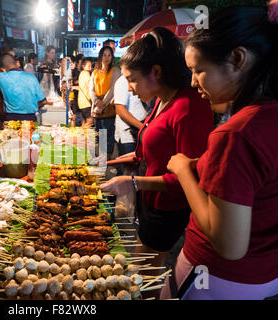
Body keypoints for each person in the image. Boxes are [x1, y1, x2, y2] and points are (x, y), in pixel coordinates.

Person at [163, 5, 278, 300]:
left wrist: (184, 170)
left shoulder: (237, 133)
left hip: (215, 280)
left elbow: (229, 244)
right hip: (263, 277)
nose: (192, 83)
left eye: (199, 70)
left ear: (238, 58)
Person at [100, 28, 214, 296]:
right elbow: (152, 151)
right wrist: (114, 162)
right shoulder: (163, 100)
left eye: (133, 80)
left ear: (157, 72)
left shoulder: (189, 106)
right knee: (140, 270)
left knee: (146, 277)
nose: (129, 87)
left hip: (167, 209)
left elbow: (186, 176)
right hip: (150, 204)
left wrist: (133, 182)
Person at [0, 54, 50, 121]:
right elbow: (43, 101)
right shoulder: (31, 78)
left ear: (4, 68)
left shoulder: (0, 77)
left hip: (11, 119)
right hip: (30, 119)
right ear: (18, 63)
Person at [89, 46, 121, 158]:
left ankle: (107, 158)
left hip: (108, 106)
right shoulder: (95, 72)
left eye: (109, 55)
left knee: (108, 134)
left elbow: (113, 89)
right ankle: (102, 157)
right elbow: (91, 89)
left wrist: (102, 103)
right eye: (104, 55)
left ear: (112, 57)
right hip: (97, 105)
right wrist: (96, 101)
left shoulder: (116, 70)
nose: (107, 57)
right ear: (100, 56)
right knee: (99, 134)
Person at [113, 74, 148, 172]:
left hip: (139, 131)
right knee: (131, 172)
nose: (129, 89)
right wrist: (143, 128)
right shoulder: (122, 82)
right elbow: (120, 110)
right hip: (128, 134)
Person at [77, 58, 93, 127]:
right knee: (90, 121)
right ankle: (80, 134)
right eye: (88, 65)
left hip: (81, 102)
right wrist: (91, 99)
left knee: (84, 122)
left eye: (90, 65)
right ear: (83, 66)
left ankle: (82, 136)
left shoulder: (82, 73)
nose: (90, 67)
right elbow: (88, 88)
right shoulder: (86, 73)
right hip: (86, 102)